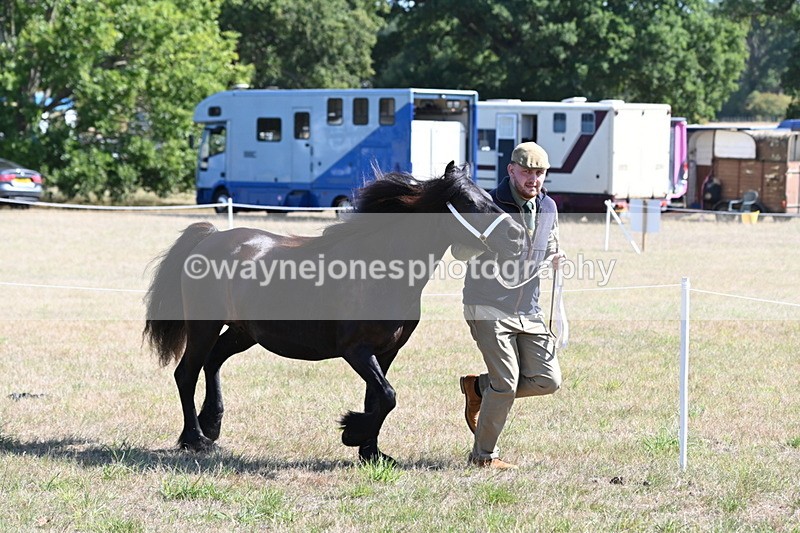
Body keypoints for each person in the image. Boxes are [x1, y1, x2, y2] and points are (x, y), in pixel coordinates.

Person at [453, 141, 564, 470]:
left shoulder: (549, 207)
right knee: (507, 383)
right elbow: (458, 251)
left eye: (540, 173)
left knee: (548, 380)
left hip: (528, 309)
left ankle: (477, 387)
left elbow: (551, 241)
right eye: (527, 171)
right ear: (511, 170)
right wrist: (482, 242)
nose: (534, 179)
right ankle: (483, 457)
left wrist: (556, 256)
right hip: (486, 306)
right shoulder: (487, 204)